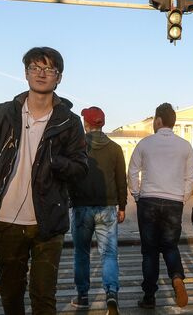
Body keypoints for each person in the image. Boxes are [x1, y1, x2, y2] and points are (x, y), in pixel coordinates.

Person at [0, 47, 88, 314]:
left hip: (48, 220)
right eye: (35, 68)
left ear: (59, 78)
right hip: (6, 219)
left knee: (43, 297)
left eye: (49, 69)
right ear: (26, 73)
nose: (42, 73)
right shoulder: (3, 113)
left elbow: (80, 166)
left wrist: (57, 162)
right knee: (11, 293)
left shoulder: (70, 121)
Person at [128, 103, 193, 309]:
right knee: (170, 246)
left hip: (148, 200)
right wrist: (182, 198)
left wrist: (137, 195)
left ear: (158, 120)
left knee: (149, 251)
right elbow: (190, 177)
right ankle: (176, 277)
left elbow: (132, 172)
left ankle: (149, 296)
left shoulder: (145, 143)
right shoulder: (185, 146)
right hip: (174, 202)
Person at [68, 106, 127, 314]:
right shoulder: (115, 148)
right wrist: (123, 206)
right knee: (109, 253)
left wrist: (70, 199)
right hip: (108, 207)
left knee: (81, 253)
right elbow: (121, 179)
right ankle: (111, 293)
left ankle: (83, 296)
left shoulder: (77, 147)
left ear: (86, 123)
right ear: (102, 123)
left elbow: (70, 175)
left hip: (81, 207)